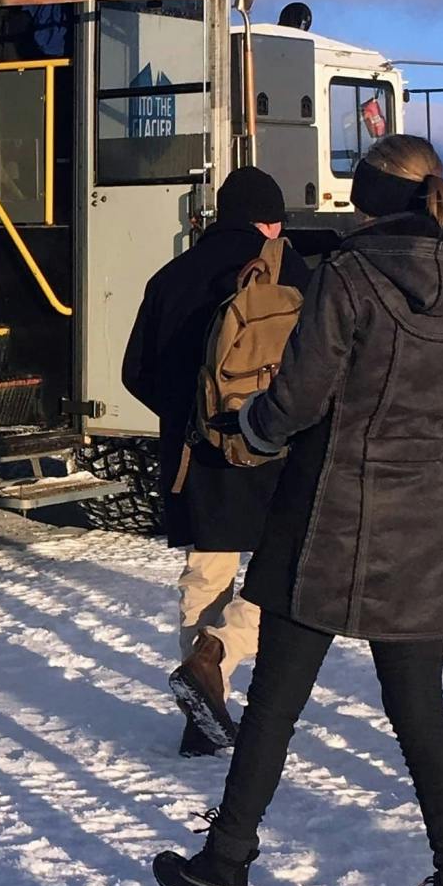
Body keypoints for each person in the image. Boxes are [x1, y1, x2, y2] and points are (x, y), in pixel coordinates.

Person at [152, 136, 443, 886]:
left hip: (325, 514)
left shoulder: (349, 274)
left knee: (276, 703)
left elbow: (299, 399)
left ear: (366, 197)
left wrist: (252, 427)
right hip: (422, 518)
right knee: (421, 714)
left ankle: (226, 863)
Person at [120, 165, 310, 757]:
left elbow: (136, 372)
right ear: (270, 220)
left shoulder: (170, 276)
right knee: (283, 572)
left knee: (206, 578)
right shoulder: (293, 272)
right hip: (278, 452)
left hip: (197, 460)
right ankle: (221, 650)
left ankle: (203, 712)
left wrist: (190, 418)